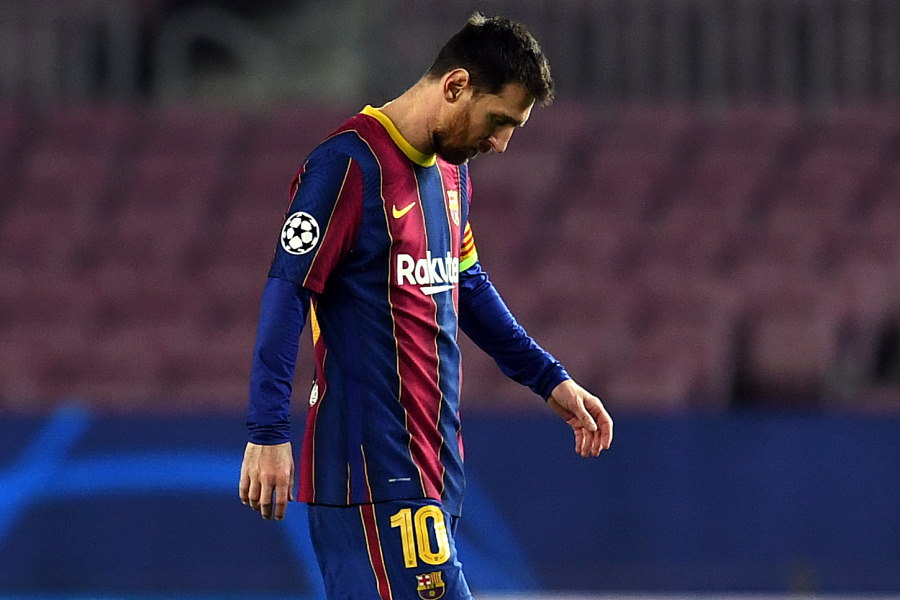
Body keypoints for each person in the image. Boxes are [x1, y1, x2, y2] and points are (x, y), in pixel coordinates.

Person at [238, 12, 613, 600]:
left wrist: (549, 378)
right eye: (499, 120)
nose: (501, 143)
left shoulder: (452, 177)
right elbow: (288, 291)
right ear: (456, 85)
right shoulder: (347, 167)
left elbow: (466, 285)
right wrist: (267, 429)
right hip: (372, 472)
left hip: (435, 470)